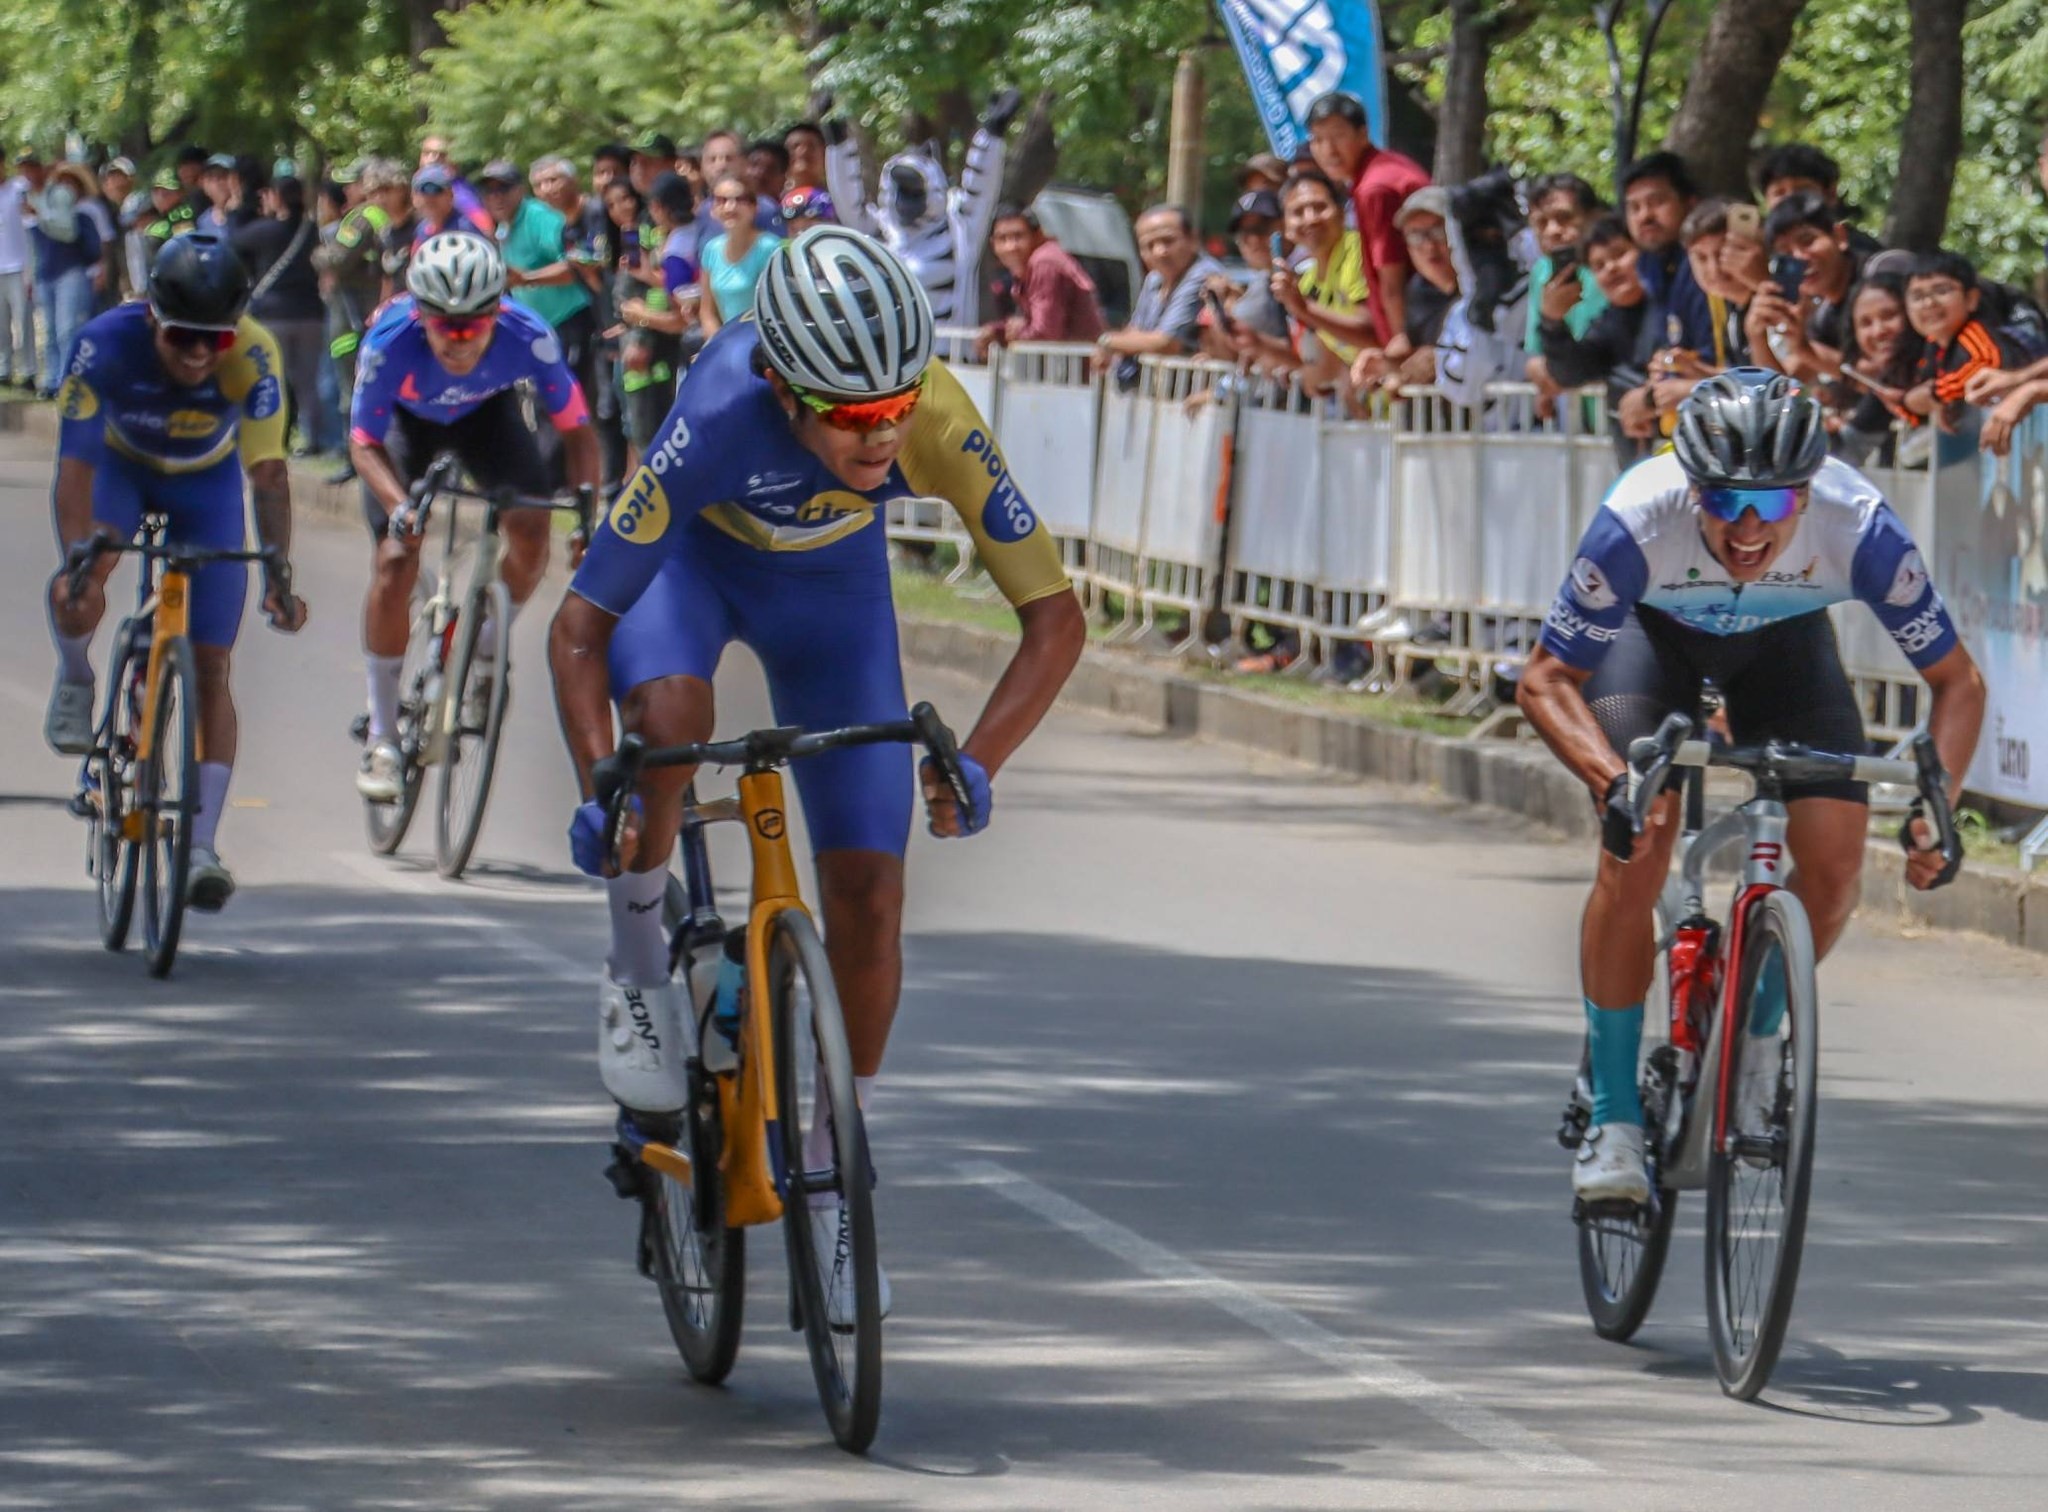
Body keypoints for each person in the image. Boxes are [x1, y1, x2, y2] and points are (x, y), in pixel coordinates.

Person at [547, 227, 1085, 1322]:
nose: (882, 433)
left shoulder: (934, 415)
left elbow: (1055, 619)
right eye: (850, 414)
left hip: (832, 602)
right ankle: (637, 966)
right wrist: (600, 781)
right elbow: (577, 629)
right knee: (669, 722)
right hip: (691, 575)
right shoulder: (718, 411)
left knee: (872, 896)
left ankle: (837, 1175)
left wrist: (977, 762)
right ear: (785, 389)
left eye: (895, 407)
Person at [1516, 368, 1984, 1204]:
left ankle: (1757, 1045)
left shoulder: (1858, 524)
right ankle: (1613, 1118)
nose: (1746, 527)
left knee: (1835, 864)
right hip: (1650, 644)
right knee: (1645, 835)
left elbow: (1959, 683)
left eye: (1771, 503)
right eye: (1724, 500)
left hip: (1783, 646)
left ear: (1807, 493)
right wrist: (1613, 782)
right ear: (1690, 486)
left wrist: (1938, 809)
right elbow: (1545, 680)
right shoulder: (1639, 520)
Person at [42, 234, 307, 908]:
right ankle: (76, 674)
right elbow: (74, 469)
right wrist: (79, 562)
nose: (198, 354)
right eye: (183, 336)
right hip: (120, 471)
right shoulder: (104, 343)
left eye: (214, 340)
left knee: (212, 666)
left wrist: (279, 573)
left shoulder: (254, 353)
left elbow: (268, 474)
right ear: (152, 318)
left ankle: (200, 848)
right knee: (83, 581)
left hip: (203, 484)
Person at [348, 235, 600, 800]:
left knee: (532, 528)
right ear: (420, 316)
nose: (459, 340)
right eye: (445, 326)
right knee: (396, 557)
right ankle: (382, 734)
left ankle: (484, 643)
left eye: (474, 326)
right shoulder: (389, 341)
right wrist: (400, 507)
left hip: (486, 417)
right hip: (405, 427)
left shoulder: (529, 335)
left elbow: (578, 430)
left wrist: (587, 514)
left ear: (497, 314)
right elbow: (363, 441)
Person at [480, 158, 601, 454]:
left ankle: (568, 473)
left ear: (520, 190)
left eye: (503, 189)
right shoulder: (503, 228)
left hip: (571, 320)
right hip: (539, 329)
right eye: (489, 191)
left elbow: (576, 267)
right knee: (544, 403)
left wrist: (527, 278)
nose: (496, 196)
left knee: (562, 403)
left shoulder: (539, 218)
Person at [1303, 90, 1430, 351]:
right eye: (1318, 139)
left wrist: (1402, 350)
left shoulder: (1375, 189)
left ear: (1363, 134)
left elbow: (1392, 284)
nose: (1329, 150)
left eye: (1338, 136)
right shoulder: (1388, 168)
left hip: (1421, 332)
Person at [1536, 215, 1660, 463]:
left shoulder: (1672, 307)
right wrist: (1552, 322)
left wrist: (1650, 398)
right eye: (1599, 265)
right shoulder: (1609, 323)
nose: (1611, 268)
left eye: (1620, 254)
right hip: (1637, 465)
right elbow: (1569, 373)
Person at [233, 174, 331, 457]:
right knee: (308, 381)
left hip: (273, 314)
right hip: (310, 313)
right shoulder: (312, 231)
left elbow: (234, 239)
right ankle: (313, 439)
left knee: (274, 378)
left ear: (276, 197)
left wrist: (240, 207)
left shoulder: (265, 231)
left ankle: (277, 436)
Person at [315, 157, 401, 482]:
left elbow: (337, 258)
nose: (347, 189)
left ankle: (355, 459)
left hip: (353, 314)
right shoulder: (384, 217)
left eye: (352, 183)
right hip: (367, 311)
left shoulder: (363, 216)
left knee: (350, 387)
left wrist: (317, 253)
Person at [612, 173, 696, 465]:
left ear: (657, 206)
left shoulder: (675, 242)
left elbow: (680, 306)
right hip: (664, 342)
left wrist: (642, 321)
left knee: (656, 434)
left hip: (669, 348)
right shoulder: (674, 235)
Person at [1091, 204, 1223, 386]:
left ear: (1193, 239)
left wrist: (1108, 341)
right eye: (1149, 245)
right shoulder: (1154, 279)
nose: (1160, 252)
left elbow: (1167, 342)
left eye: (1168, 241)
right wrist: (1118, 343)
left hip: (1195, 392)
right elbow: (1136, 330)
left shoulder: (1204, 275)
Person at [1899, 250, 2030, 433]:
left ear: (1971, 299)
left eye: (1941, 291)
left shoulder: (1974, 333)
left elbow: (1985, 366)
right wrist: (1910, 403)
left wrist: (1937, 393)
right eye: (1917, 296)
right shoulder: (1933, 345)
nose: (1929, 303)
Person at [1745, 191, 1866, 385]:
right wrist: (1757, 335)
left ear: (1839, 236)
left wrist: (1804, 349)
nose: (1800, 258)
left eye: (1808, 241)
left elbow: (1885, 379)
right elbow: (1783, 392)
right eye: (1786, 253)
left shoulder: (1881, 275)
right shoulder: (1823, 315)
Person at [1269, 168, 1372, 392]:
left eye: (1320, 207)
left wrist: (1304, 308)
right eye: (1298, 212)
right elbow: (1325, 357)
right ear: (1285, 227)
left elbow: (1371, 334)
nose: (1311, 218)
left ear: (1341, 213)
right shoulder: (1306, 282)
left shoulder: (1359, 251)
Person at [1620, 152, 1713, 360]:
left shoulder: (1706, 261)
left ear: (1690, 203)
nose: (1645, 216)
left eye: (1657, 202)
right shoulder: (1648, 266)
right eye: (1634, 207)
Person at [974, 203, 1103, 354]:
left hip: (1077, 363)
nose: (1011, 247)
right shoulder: (1029, 266)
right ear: (993, 244)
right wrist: (997, 331)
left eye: (1018, 236)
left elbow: (1045, 334)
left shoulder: (1044, 263)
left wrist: (1008, 336)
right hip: (1066, 362)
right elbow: (1035, 325)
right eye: (1002, 239)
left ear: (1037, 236)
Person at [27, 157, 102, 398]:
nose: (65, 188)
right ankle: (51, 381)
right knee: (50, 332)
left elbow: (74, 236)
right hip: (45, 274)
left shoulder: (84, 212)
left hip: (71, 272)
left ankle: (69, 381)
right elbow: (35, 249)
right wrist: (31, 277)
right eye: (61, 182)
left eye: (70, 183)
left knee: (68, 329)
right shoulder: (43, 209)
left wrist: (40, 215)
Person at [1751, 142, 1882, 254]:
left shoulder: (1862, 252)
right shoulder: (1758, 253)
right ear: (1766, 203)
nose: (1790, 200)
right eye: (1779, 193)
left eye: (1802, 190)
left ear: (1830, 195)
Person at [696, 175, 783, 338]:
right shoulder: (711, 249)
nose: (730, 207)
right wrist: (719, 345)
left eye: (739, 200)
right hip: (726, 342)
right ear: (713, 210)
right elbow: (707, 312)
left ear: (754, 207)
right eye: (722, 200)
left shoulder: (770, 248)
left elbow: (778, 309)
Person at [696, 129, 784, 237]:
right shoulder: (703, 211)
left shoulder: (765, 209)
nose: (720, 166)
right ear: (701, 167)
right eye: (712, 159)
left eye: (729, 159)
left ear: (745, 163)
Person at [0, 151, 34, 389]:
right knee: (1, 323)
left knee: (24, 320)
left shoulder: (19, 188)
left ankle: (29, 370)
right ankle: (4, 368)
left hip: (19, 264)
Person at [412, 163, 491, 242]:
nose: (430, 198)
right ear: (414, 197)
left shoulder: (465, 230)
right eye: (423, 190)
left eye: (436, 190)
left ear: (450, 195)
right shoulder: (421, 230)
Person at [785, 121, 830, 193]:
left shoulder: (839, 195)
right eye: (794, 147)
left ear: (824, 155)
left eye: (811, 146)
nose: (803, 152)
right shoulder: (772, 198)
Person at [747, 137, 791, 204]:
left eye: (770, 169)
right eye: (754, 164)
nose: (760, 173)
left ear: (783, 179)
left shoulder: (788, 208)